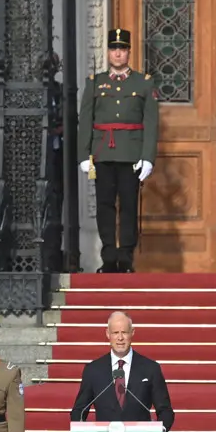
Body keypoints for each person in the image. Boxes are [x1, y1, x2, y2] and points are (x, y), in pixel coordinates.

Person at [78, 28, 160, 273]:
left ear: (128, 52)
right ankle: (109, 256)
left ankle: (125, 256)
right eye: (113, 49)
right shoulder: (95, 82)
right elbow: (85, 120)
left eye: (122, 49)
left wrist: (147, 157)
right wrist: (84, 155)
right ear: (108, 52)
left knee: (128, 204)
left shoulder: (143, 83)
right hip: (103, 153)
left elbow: (151, 122)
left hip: (131, 154)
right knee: (104, 204)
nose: (117, 53)